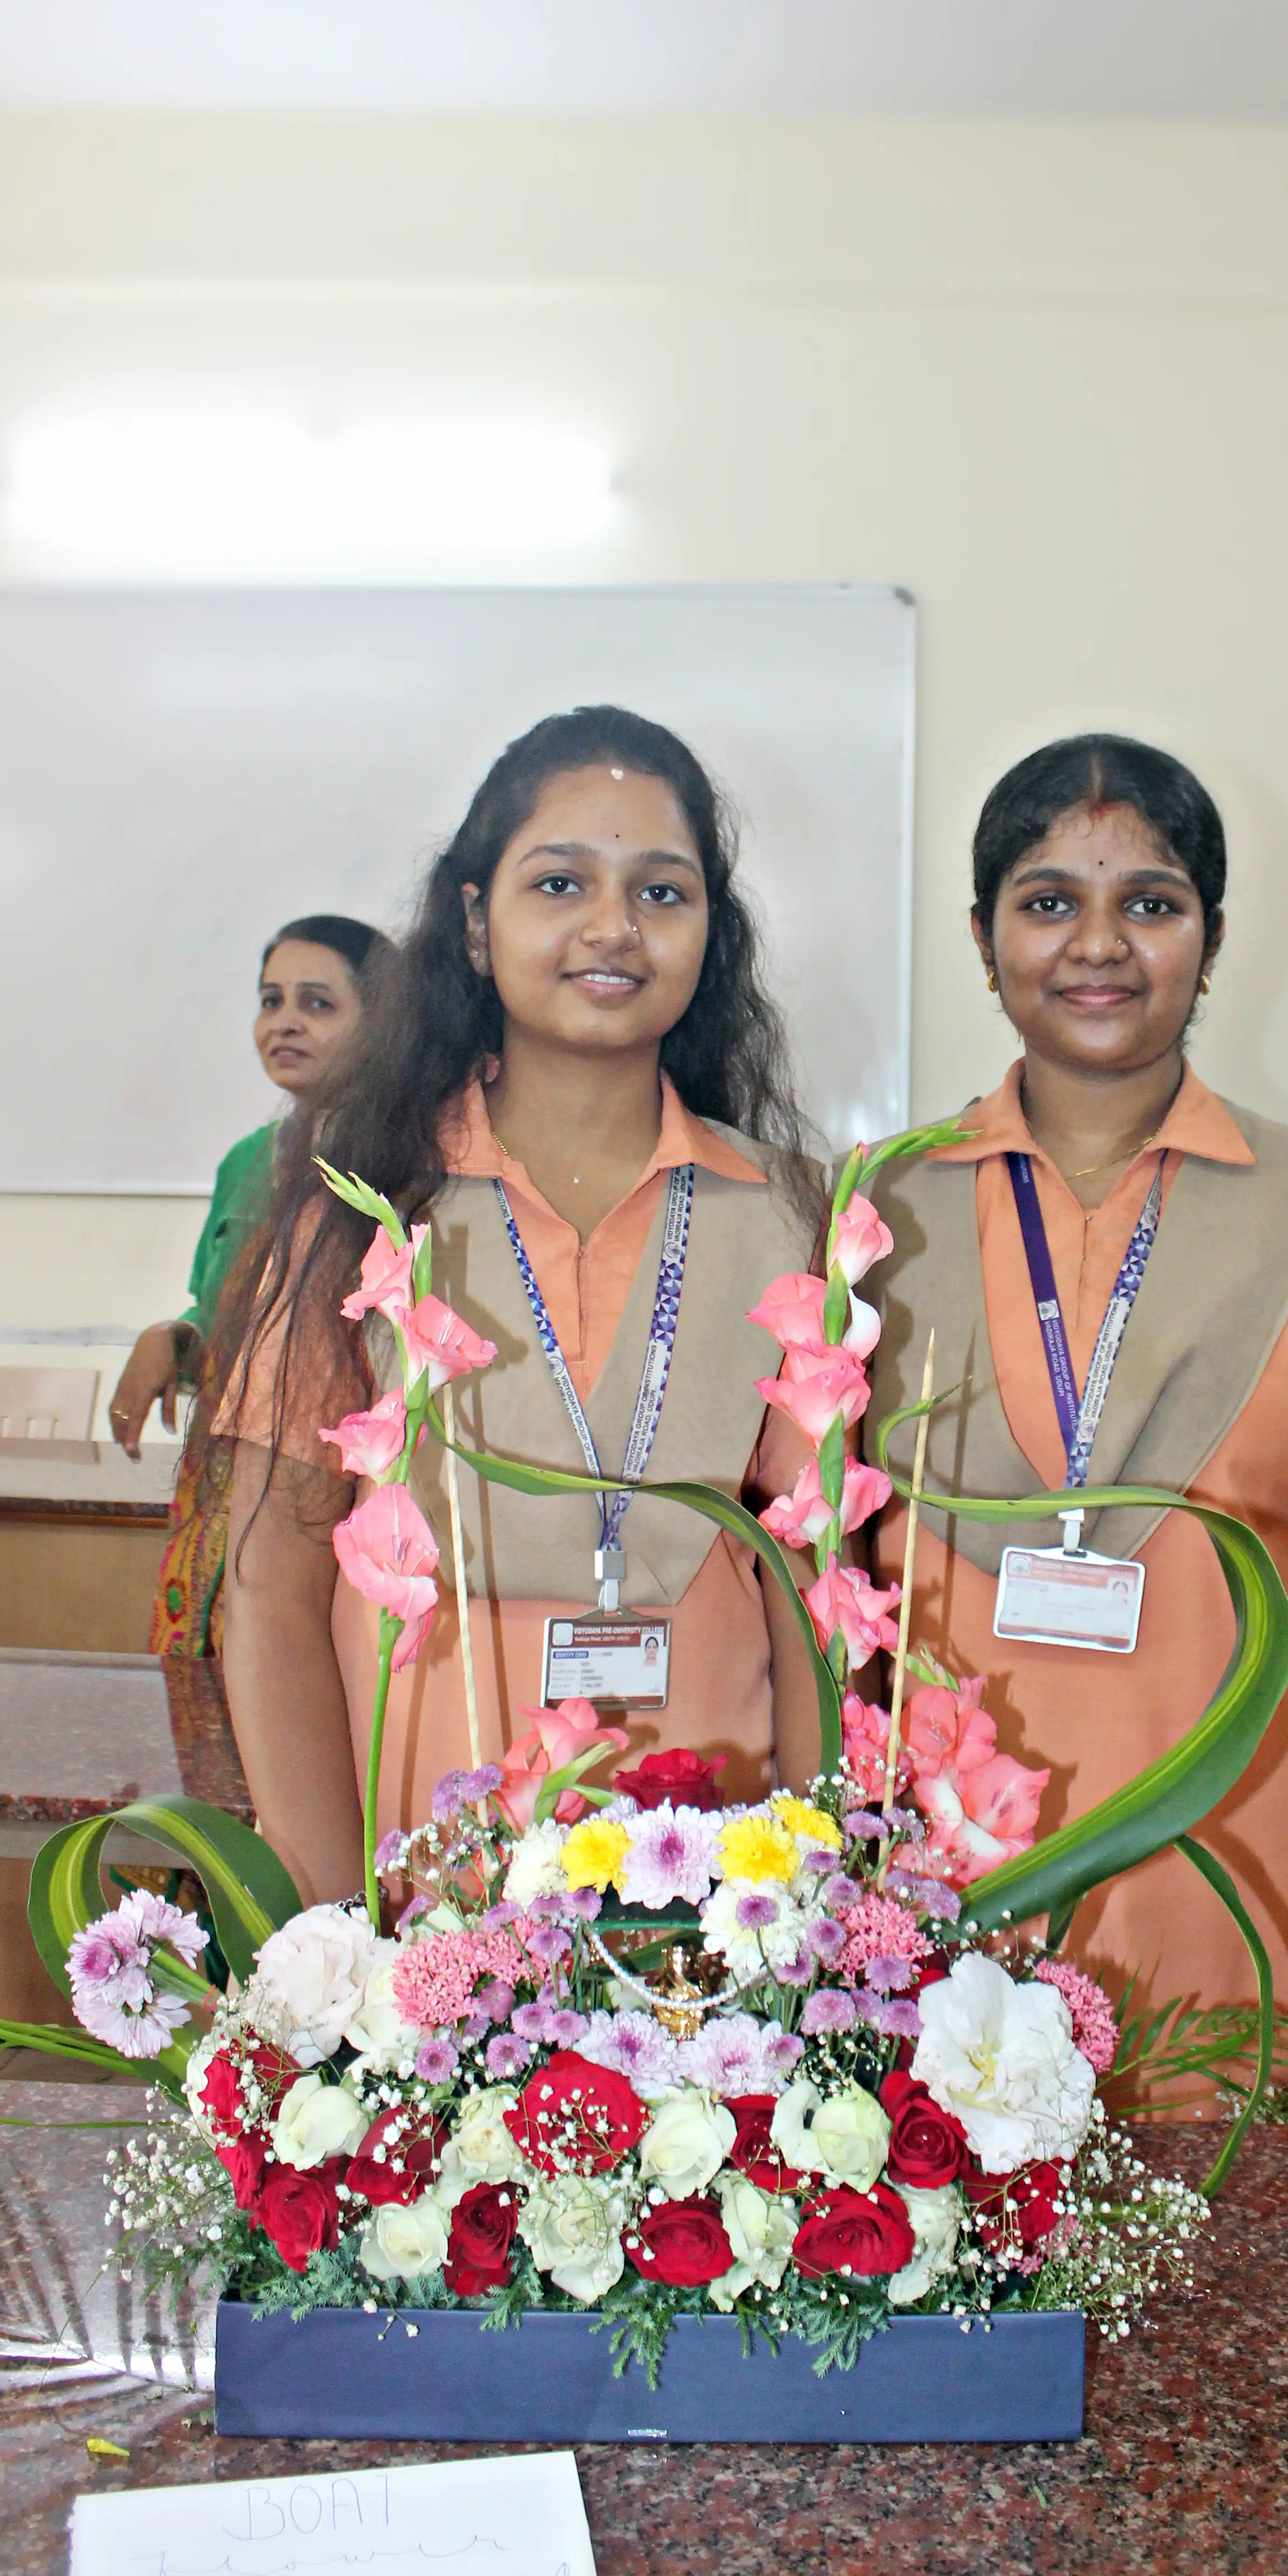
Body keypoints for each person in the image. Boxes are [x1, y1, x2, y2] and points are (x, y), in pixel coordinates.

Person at [863, 735, 1288, 2085]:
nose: (1099, 945)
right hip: (933, 1911)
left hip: (1251, 1887)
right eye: (1047, 902)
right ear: (982, 938)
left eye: (1150, 902)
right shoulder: (876, 1208)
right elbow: (812, 1573)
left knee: (1256, 2277)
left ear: (1210, 937)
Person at [221, 707, 823, 1904]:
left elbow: (818, 1597)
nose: (614, 927)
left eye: (663, 892)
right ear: (474, 924)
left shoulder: (789, 1218)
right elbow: (272, 1591)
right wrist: (331, 1932)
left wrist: (814, 1895)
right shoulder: (364, 1208)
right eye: (560, 882)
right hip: (424, 1898)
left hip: (720, 1891)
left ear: (713, 933)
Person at [109, 914, 390, 1659]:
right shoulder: (245, 1163)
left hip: (337, 1499)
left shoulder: (408, 1167)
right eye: (272, 1001)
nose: (286, 1023)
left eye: (318, 1004)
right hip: (222, 1487)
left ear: (384, 1023)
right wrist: (176, 1338)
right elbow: (218, 1308)